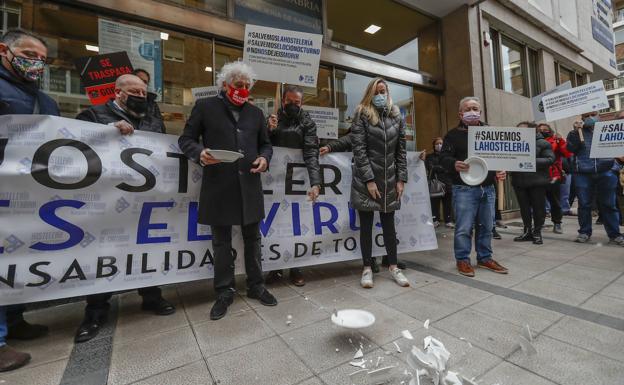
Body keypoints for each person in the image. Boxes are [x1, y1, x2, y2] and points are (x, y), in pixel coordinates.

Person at [74, 74, 175, 343]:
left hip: (147, 197)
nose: (140, 97)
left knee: (146, 248)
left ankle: (151, 296)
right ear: (117, 92)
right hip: (109, 198)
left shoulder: (153, 119)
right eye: (134, 92)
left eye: (143, 93)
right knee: (104, 252)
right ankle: (95, 311)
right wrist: (108, 131)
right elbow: (76, 145)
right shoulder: (94, 115)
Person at [178, 61, 277, 320]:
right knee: (221, 243)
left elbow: (266, 145)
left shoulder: (256, 114)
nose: (242, 90)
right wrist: (200, 152)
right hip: (218, 186)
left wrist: (265, 158)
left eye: (246, 86)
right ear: (224, 85)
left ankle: (256, 286)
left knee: (253, 239)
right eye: (238, 85)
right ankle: (224, 291)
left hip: (250, 186)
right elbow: (185, 140)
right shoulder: (205, 107)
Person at [0, 28, 54, 372]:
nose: (36, 64)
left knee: (15, 256)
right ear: (4, 50)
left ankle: (15, 318)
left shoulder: (45, 101)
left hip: (28, 194)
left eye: (42, 60)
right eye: (30, 55)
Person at [348, 77, 410, 288]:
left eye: (383, 91)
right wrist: (369, 180)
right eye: (376, 92)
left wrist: (401, 179)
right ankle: (366, 268)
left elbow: (401, 151)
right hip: (366, 181)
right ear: (370, 94)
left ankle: (393, 267)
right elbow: (359, 150)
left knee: (389, 226)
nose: (380, 95)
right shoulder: (361, 115)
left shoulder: (396, 116)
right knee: (366, 226)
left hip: (390, 180)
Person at [439, 96, 509, 277]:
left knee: (487, 225)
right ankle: (462, 260)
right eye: (468, 109)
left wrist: (501, 170)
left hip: (488, 188)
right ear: (461, 113)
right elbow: (443, 159)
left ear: (480, 112)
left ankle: (485, 257)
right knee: (464, 227)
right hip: (463, 188)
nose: (472, 111)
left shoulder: (491, 132)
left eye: (475, 108)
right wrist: (454, 163)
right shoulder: (452, 135)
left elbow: (500, 157)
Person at [265, 84, 321, 287]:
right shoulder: (272, 119)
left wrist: (316, 182)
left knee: (296, 224)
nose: (293, 105)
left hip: (297, 181)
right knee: (276, 223)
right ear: (283, 100)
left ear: (302, 103)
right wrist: (268, 130)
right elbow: (262, 146)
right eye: (289, 102)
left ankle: (296, 267)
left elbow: (311, 153)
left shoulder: (307, 122)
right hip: (275, 181)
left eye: (297, 103)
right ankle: (275, 268)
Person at [566, 112, 624, 246]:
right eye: (587, 115)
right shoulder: (575, 133)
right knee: (584, 204)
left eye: (593, 114)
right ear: (582, 118)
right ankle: (584, 232)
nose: (591, 117)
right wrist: (576, 132)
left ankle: (615, 234)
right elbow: (571, 149)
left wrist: (616, 165)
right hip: (583, 173)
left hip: (606, 171)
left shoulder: (610, 128)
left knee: (609, 204)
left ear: (599, 115)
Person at [511, 122, 555, 244]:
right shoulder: (513, 142)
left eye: (523, 130)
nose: (519, 132)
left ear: (532, 131)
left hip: (537, 181)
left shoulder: (543, 143)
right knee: (524, 208)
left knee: (538, 208)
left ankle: (537, 232)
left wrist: (528, 159)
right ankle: (527, 231)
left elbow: (550, 159)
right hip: (519, 181)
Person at [537, 123, 573, 234]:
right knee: (538, 202)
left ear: (550, 130)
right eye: (540, 129)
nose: (543, 131)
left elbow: (567, 153)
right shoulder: (534, 141)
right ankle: (539, 223)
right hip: (538, 176)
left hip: (553, 175)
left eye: (545, 129)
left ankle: (557, 223)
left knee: (555, 201)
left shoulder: (556, 140)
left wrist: (561, 140)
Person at [426, 137, 454, 228]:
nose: (439, 145)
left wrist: (440, 168)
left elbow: (452, 167)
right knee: (435, 203)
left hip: (448, 183)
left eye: (441, 143)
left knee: (447, 204)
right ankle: (435, 220)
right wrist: (442, 168)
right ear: (434, 146)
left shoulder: (449, 156)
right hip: (436, 183)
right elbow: (431, 167)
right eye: (437, 144)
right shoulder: (430, 157)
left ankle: (448, 221)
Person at [132, 68, 166, 134]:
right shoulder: (120, 100)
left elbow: (161, 128)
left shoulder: (152, 105)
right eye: (138, 79)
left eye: (145, 82)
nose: (141, 83)